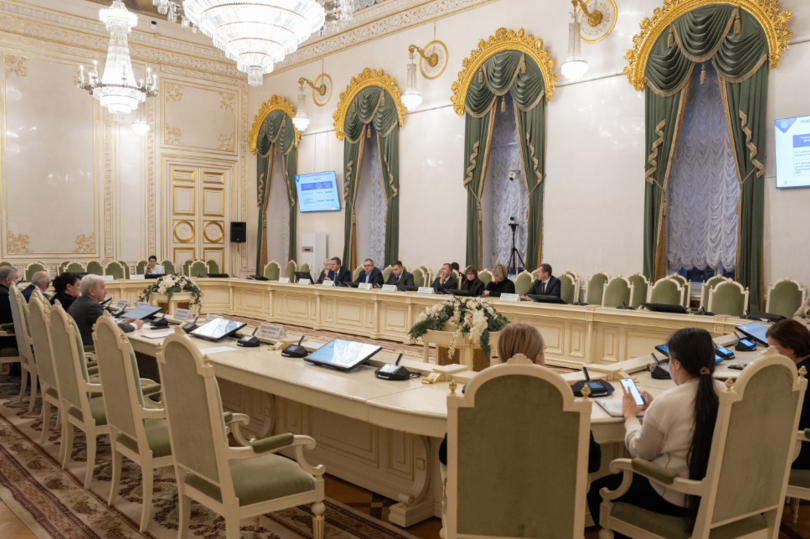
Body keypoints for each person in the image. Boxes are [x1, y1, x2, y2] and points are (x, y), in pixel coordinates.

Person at [587, 328, 724, 532]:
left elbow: (641, 452)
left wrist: (630, 417)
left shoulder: (669, 402)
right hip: (719, 496)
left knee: (597, 491)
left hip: (676, 496)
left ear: (676, 363)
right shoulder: (726, 392)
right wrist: (653, 410)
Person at [438, 323, 601, 472]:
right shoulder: (562, 397)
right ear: (538, 358)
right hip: (549, 493)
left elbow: (445, 453)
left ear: (501, 357)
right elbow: (592, 461)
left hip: (485, 492)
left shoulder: (476, 394)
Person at [766, 320, 810, 469]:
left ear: (791, 348)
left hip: (801, 448)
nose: (770, 355)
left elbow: (785, 419)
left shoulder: (797, 376)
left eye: (773, 349)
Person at [68, 275, 143, 346]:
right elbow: (112, 329)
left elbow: (106, 325)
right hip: (90, 349)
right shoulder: (92, 307)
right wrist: (135, 325)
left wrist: (125, 323)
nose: (106, 291)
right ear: (92, 291)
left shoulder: (79, 302)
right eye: (102, 288)